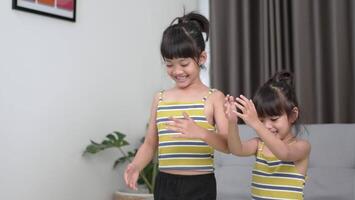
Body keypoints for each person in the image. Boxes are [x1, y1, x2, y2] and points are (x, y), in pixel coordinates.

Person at [124, 12, 229, 200]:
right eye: (169, 64)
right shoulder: (160, 98)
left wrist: (201, 133)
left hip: (200, 184)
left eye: (184, 63)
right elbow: (150, 144)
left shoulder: (214, 98)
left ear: (202, 58)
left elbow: (227, 144)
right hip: (165, 184)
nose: (177, 71)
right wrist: (137, 165)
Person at [224, 71, 311, 200]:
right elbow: (236, 149)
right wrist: (231, 122)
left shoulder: (302, 146)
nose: (267, 126)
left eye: (274, 119)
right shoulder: (259, 144)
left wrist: (256, 123)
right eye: (261, 120)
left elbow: (284, 154)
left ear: (292, 115)